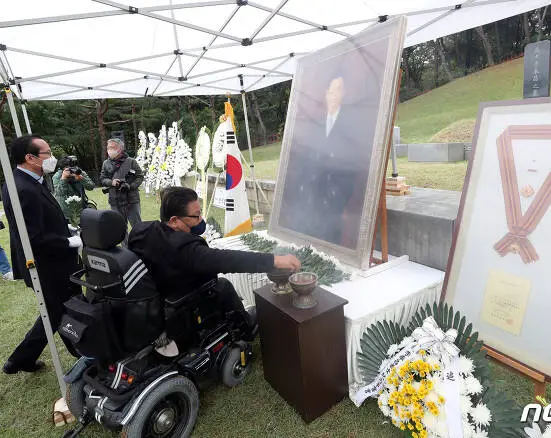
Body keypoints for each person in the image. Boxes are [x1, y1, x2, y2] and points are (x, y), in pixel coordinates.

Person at [128, 187, 301, 342]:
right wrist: (274, 260)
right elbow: (227, 260)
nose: (201, 219)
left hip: (152, 301)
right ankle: (247, 329)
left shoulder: (141, 230)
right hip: (180, 304)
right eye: (196, 216)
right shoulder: (183, 248)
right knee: (223, 286)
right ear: (174, 221)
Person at [2, 135, 83, 375]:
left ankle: (20, 360)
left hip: (52, 262)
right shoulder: (23, 188)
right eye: (47, 153)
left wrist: (64, 227)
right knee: (58, 311)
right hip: (47, 265)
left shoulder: (30, 180)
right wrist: (67, 241)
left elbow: (41, 217)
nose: (52, 158)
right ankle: (81, 353)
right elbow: (33, 237)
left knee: (55, 311)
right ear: (30, 158)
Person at [281, 74, 374, 247]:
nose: (333, 95)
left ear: (343, 95)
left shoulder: (349, 125)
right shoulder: (318, 125)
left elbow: (352, 165)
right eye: (331, 91)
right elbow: (307, 161)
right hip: (312, 199)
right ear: (326, 94)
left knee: (330, 246)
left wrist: (338, 198)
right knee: (310, 244)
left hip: (334, 202)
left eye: (338, 91)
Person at [100, 138, 143, 246]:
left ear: (120, 149)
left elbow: (140, 176)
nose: (109, 150)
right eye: (108, 148)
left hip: (131, 199)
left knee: (137, 226)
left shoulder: (131, 161)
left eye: (112, 147)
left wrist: (130, 186)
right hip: (115, 200)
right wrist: (111, 182)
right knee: (121, 227)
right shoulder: (106, 163)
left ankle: (141, 246)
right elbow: (102, 179)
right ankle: (126, 249)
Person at [53, 156, 95, 225]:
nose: (73, 169)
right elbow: (60, 193)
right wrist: (63, 179)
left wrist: (82, 179)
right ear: (63, 168)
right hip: (66, 212)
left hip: (81, 209)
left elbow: (91, 186)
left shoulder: (79, 172)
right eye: (70, 167)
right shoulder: (57, 176)